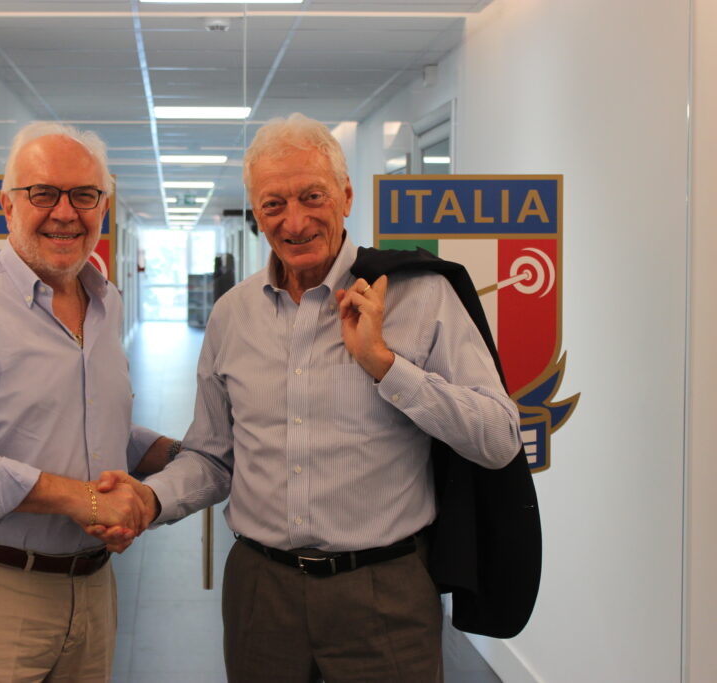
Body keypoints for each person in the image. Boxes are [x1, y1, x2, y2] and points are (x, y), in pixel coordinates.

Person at [95, 113, 530, 682]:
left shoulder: (422, 296)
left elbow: (499, 438)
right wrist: (150, 500)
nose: (295, 221)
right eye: (273, 204)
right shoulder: (232, 316)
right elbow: (212, 458)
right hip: (260, 591)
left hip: (385, 594)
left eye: (312, 196)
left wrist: (385, 365)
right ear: (256, 214)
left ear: (345, 196)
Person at [0, 121, 176, 682]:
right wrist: (79, 499)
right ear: (7, 206)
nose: (65, 213)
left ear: (103, 207)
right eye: (43, 193)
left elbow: (91, 429)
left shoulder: (106, 302)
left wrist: (184, 455)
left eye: (84, 195)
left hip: (91, 591)